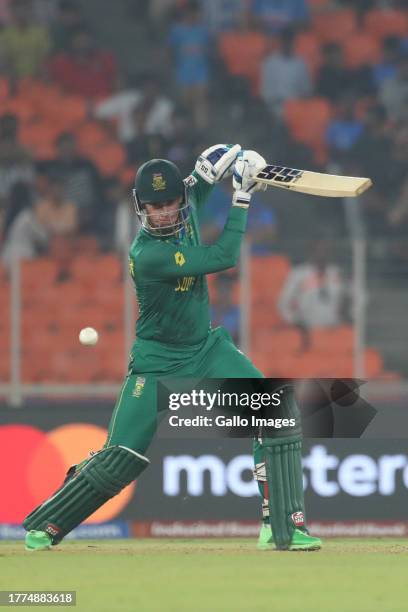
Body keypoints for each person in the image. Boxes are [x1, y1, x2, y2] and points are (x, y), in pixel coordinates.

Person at [23, 145, 321, 553]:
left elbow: (207, 171)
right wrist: (243, 194)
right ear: (140, 207)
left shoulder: (187, 201)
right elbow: (224, 255)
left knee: (275, 408)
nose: (163, 212)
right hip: (156, 362)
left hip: (205, 346)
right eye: (154, 205)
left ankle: (283, 529)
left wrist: (234, 159)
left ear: (181, 198)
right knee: (121, 456)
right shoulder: (148, 255)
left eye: (170, 203)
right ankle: (46, 525)